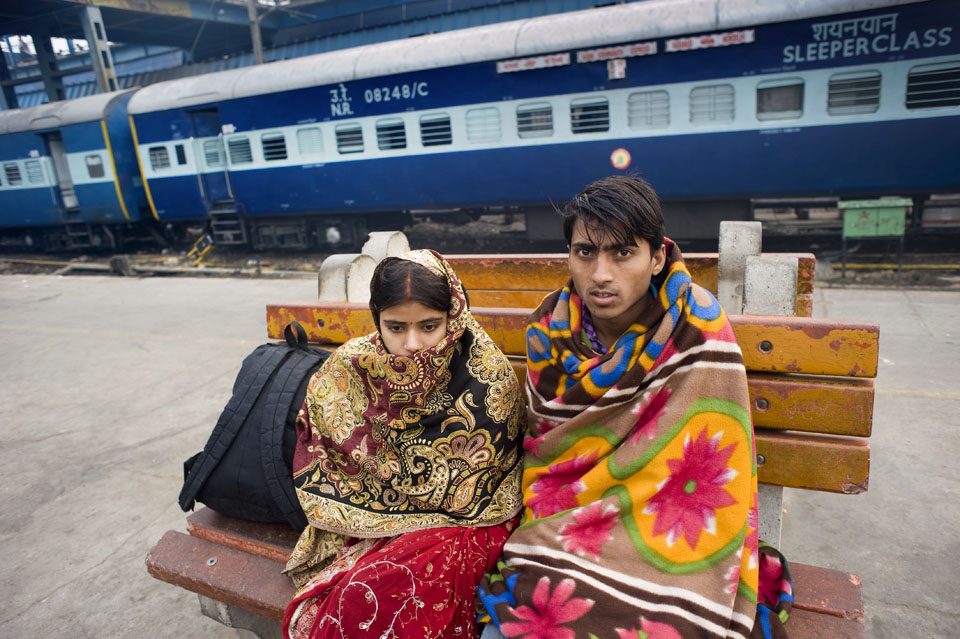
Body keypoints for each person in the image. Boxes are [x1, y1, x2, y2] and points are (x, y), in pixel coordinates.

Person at [478, 177, 792, 639]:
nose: (601, 273)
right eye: (585, 252)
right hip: (568, 519)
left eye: (622, 253)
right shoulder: (549, 327)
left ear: (657, 256)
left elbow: (716, 461)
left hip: (669, 522)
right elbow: (550, 455)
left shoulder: (695, 325)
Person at [283, 249, 525, 639]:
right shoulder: (354, 365)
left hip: (467, 520)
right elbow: (326, 438)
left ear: (454, 316)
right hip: (369, 521)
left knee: (376, 593)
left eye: (430, 326)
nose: (413, 344)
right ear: (376, 318)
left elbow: (474, 485)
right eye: (395, 327)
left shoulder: (488, 377)